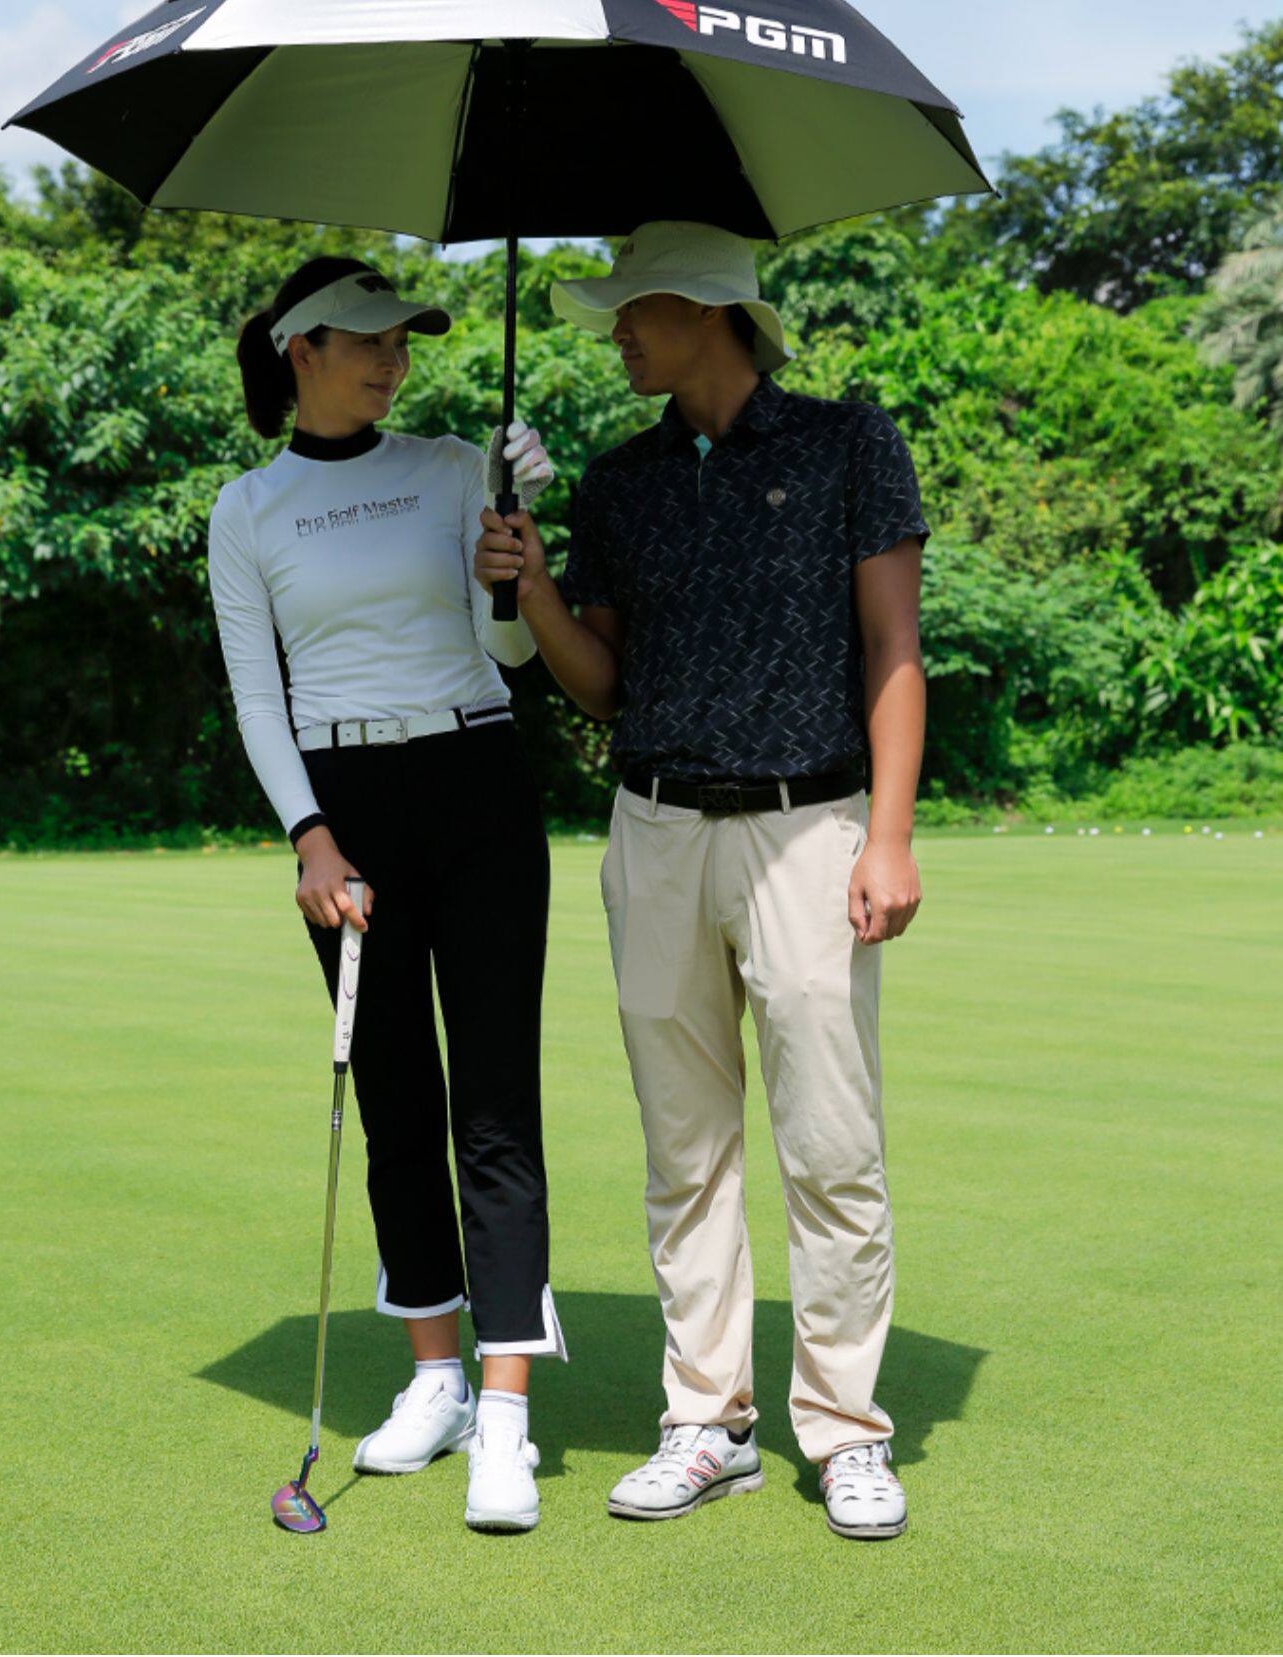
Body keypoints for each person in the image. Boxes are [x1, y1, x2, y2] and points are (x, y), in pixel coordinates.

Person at [475, 221, 927, 1539]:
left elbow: (894, 649)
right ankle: (707, 1423)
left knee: (830, 1145)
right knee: (685, 1150)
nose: (616, 330)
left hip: (811, 827)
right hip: (656, 830)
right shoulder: (620, 482)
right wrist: (536, 586)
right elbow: (602, 686)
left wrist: (890, 835)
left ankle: (845, 1430)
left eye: (634, 308)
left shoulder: (851, 445)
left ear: (708, 309)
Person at [208, 254, 564, 1534]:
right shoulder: (247, 508)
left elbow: (507, 652)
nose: (393, 359)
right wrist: (308, 835)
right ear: (300, 348)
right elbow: (258, 694)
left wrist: (514, 561)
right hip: (345, 814)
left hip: (474, 780)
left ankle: (507, 1414)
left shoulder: (462, 467)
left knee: (495, 1105)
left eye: (404, 340)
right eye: (368, 339)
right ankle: (436, 1379)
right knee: (397, 1101)